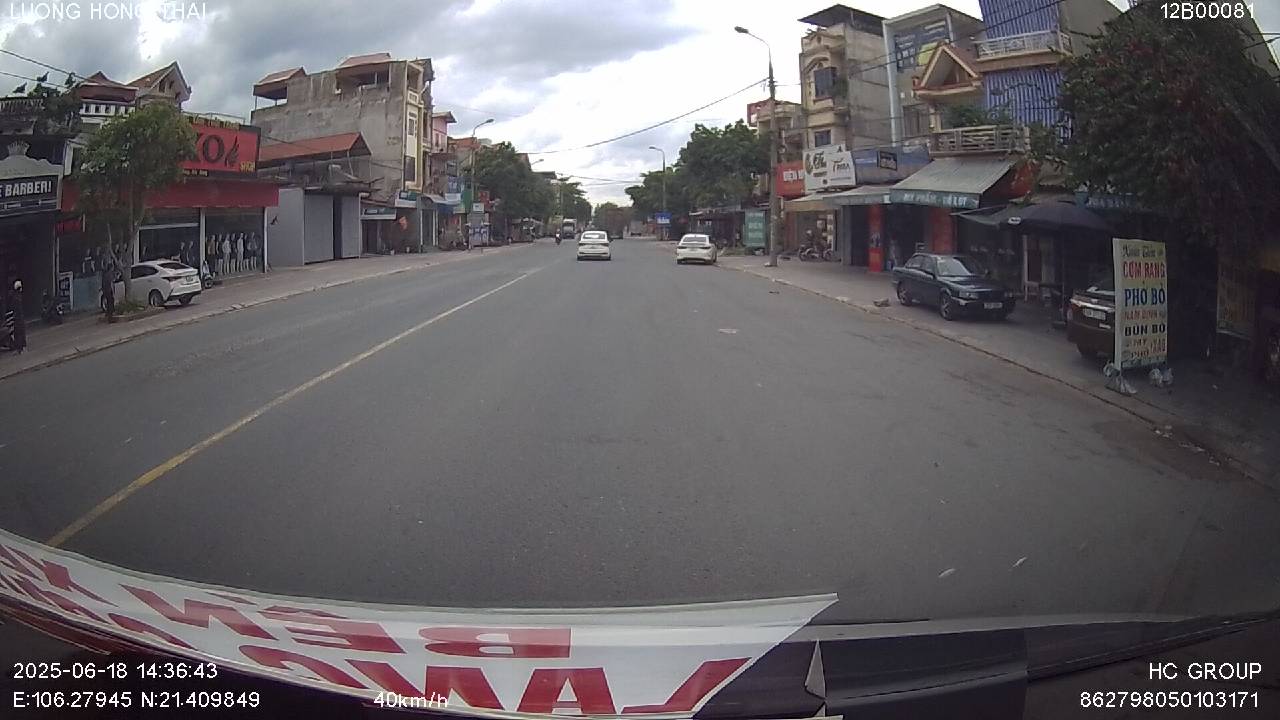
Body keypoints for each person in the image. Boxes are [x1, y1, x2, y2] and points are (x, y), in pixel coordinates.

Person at [7, 279, 26, 353]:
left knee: (17, 332)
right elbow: (18, 309)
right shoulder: (17, 297)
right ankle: (20, 347)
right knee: (20, 332)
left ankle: (19, 347)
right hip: (18, 317)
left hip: (16, 317)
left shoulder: (14, 296)